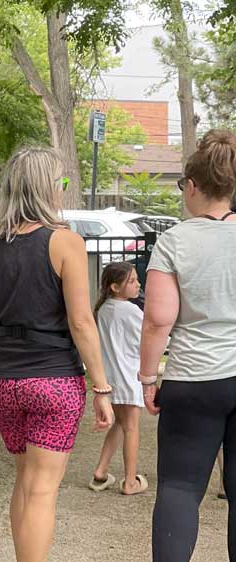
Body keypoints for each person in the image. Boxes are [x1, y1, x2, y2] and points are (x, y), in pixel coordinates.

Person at [0, 146, 114, 562]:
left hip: (4, 378)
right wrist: (101, 385)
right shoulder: (65, 242)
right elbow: (81, 322)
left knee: (24, 481)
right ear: (48, 188)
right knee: (42, 490)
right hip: (55, 379)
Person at [139, 129, 236, 561]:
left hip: (194, 377)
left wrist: (146, 377)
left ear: (192, 187)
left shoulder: (175, 241)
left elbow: (159, 319)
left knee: (179, 487)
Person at [89, 262, 148, 495]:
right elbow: (146, 338)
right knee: (131, 428)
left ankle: (101, 471)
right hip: (129, 375)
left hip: (111, 378)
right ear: (115, 286)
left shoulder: (103, 309)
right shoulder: (130, 310)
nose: (138, 284)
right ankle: (130, 481)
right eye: (132, 281)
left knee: (121, 424)